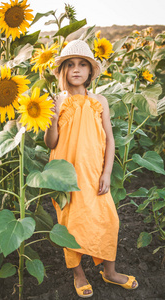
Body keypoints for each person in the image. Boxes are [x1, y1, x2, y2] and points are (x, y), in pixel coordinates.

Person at [44, 39, 138, 298]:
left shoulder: (100, 101)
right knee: (70, 224)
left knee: (108, 220)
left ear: (90, 71)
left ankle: (110, 272)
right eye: (70, 64)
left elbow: (109, 139)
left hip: (94, 173)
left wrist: (107, 172)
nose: (76, 69)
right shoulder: (57, 100)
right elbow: (51, 143)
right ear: (63, 70)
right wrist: (51, 122)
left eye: (82, 64)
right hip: (65, 176)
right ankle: (79, 274)